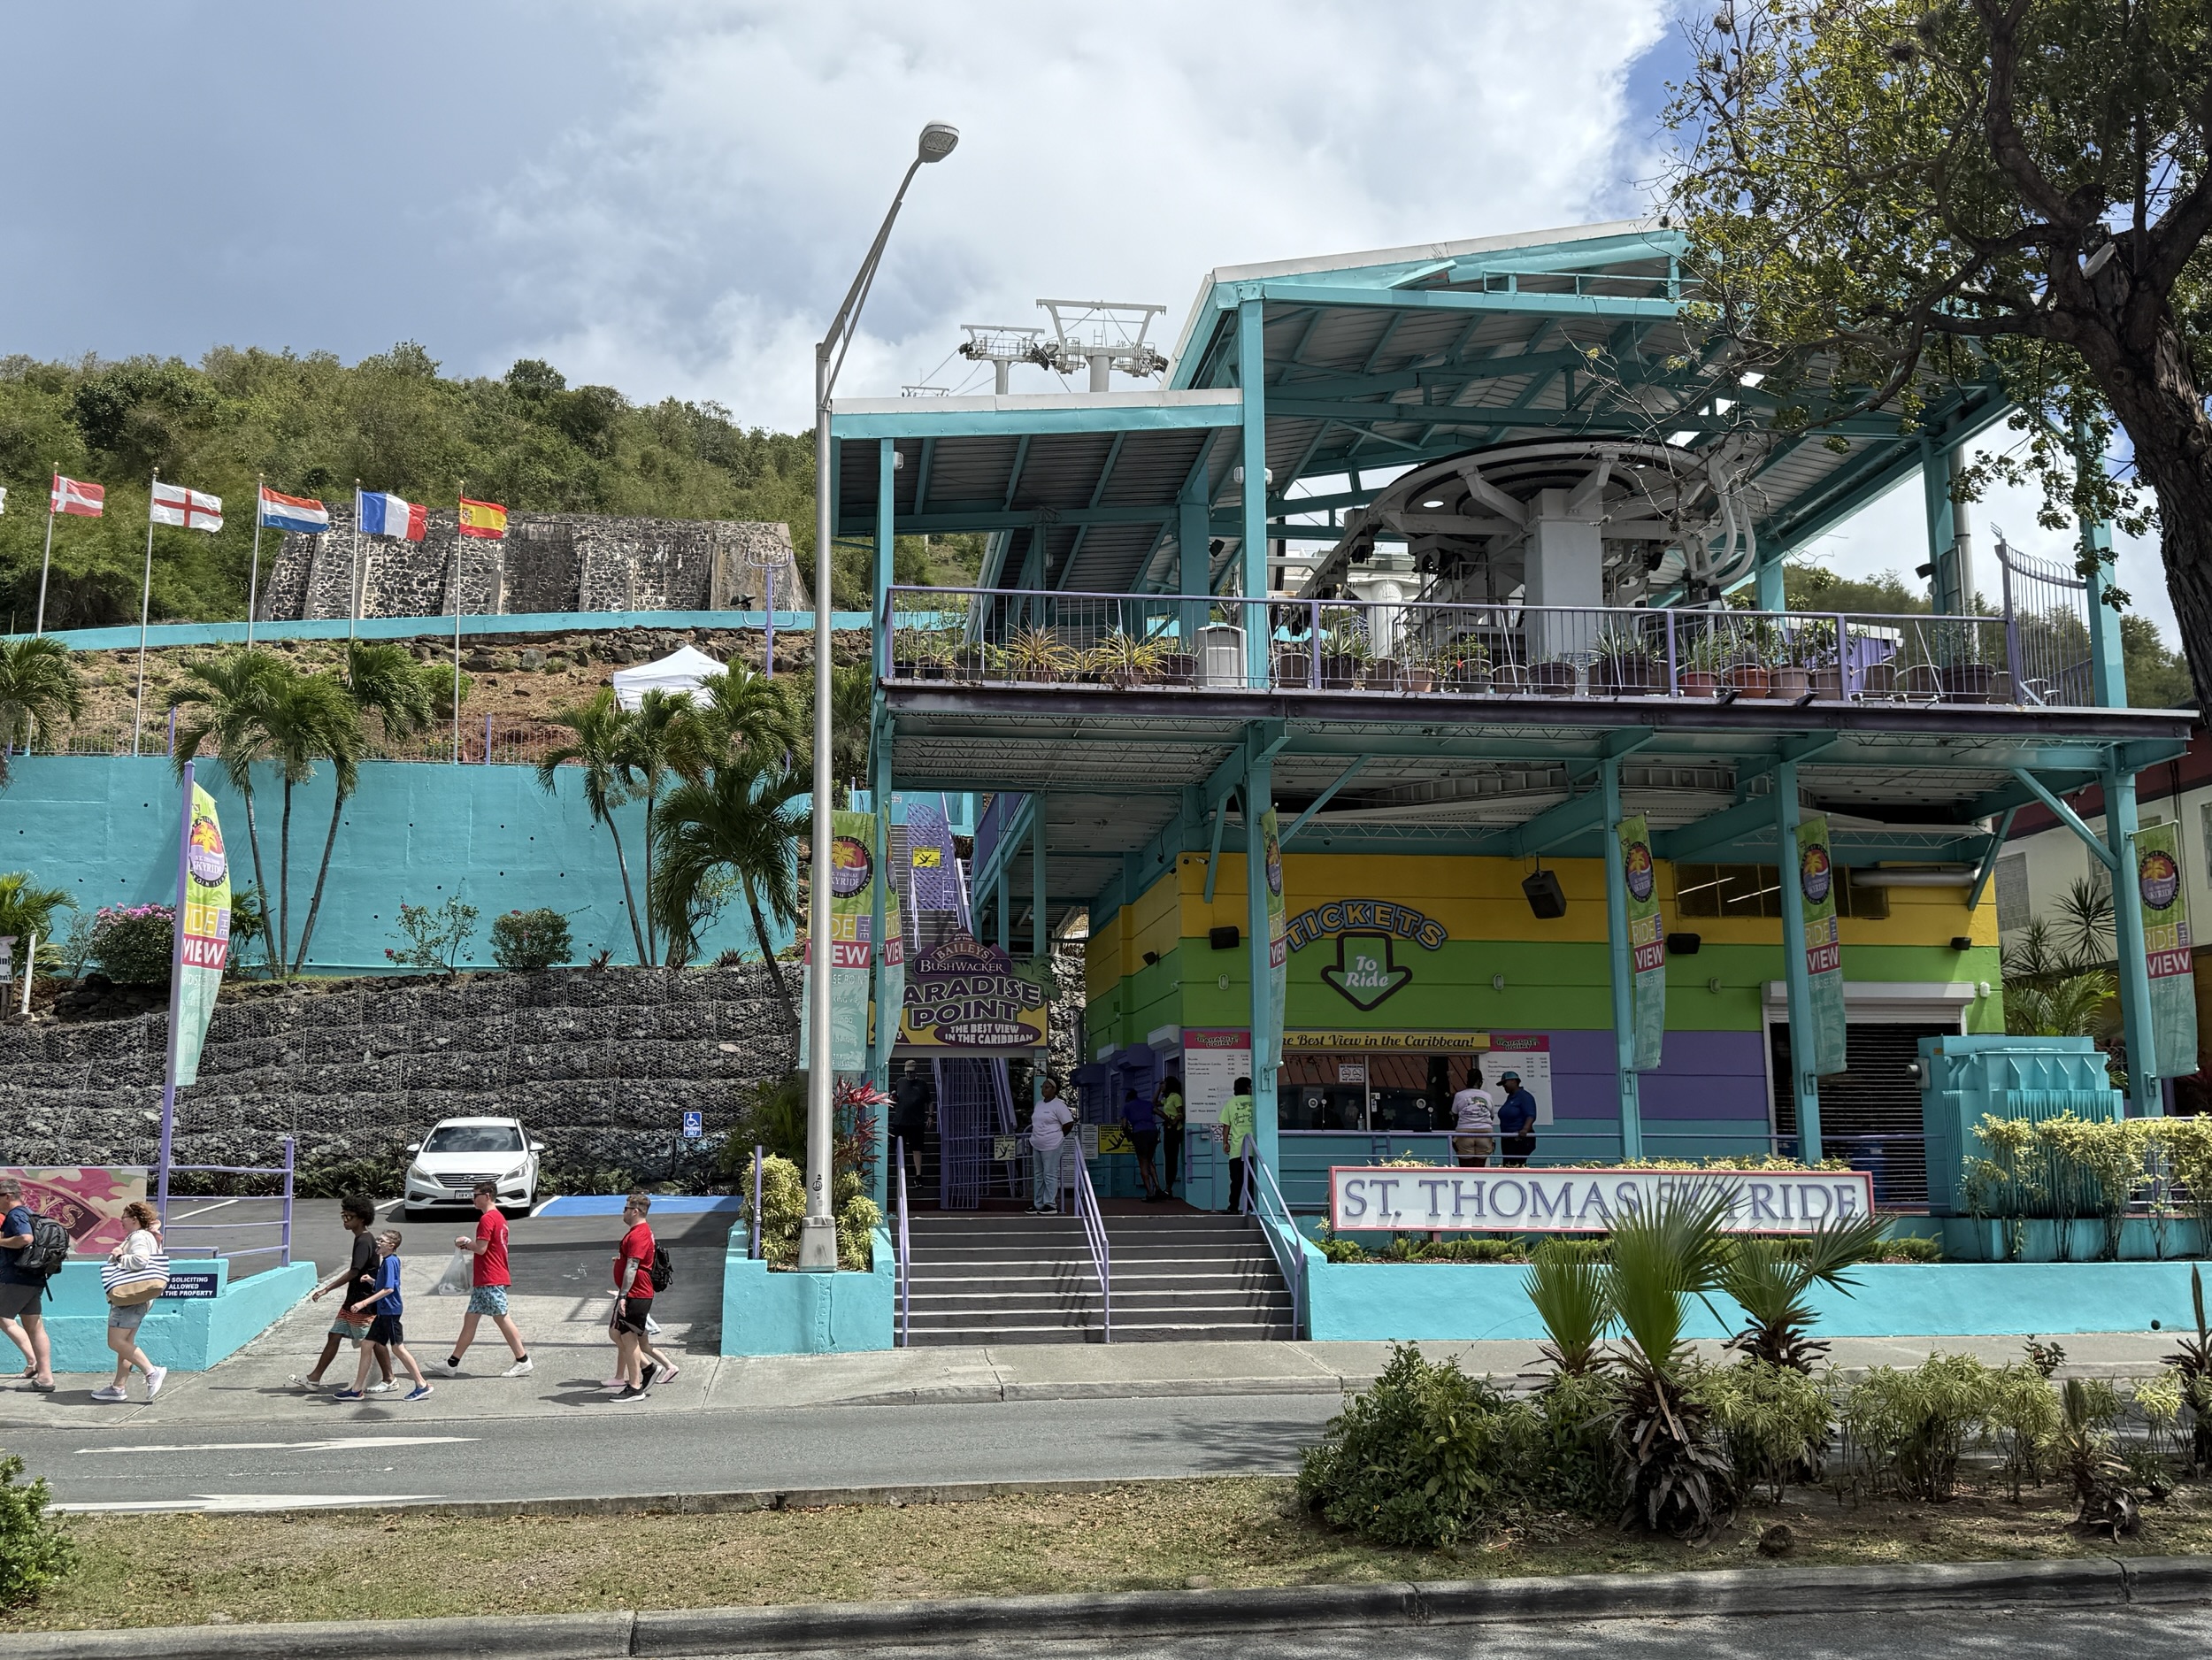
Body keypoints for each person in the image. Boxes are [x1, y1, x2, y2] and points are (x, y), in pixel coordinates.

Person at [293, 1195, 392, 1391]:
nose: (345, 1220)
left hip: (363, 1300)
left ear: (361, 1218)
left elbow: (355, 1271)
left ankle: (390, 1379)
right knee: (335, 1335)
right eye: (343, 1216)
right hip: (353, 1299)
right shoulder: (361, 1238)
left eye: (349, 1217)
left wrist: (326, 1289)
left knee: (373, 1340)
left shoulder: (364, 1240)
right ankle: (314, 1378)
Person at [446, 1181, 531, 1377]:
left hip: (490, 1276)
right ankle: (451, 1363)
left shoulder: (487, 1219)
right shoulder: (499, 1217)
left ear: (487, 1195)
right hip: (488, 1276)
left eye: (475, 1195)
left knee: (501, 1317)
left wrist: (466, 1242)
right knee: (471, 1318)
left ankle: (523, 1359)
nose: (473, 1199)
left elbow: (481, 1249)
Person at [336, 1230, 432, 1403]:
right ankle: (356, 1390)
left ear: (391, 1245)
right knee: (367, 1345)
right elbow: (386, 1284)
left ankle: (422, 1384)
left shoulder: (390, 1261)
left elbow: (389, 1289)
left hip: (390, 1312)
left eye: (382, 1241)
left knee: (398, 1348)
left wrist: (363, 1303)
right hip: (383, 1312)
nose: (378, 1243)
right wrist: (372, 1281)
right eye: (378, 1240)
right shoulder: (387, 1261)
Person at [90, 1200, 166, 1403]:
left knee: (115, 1342)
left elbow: (140, 1260)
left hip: (129, 1298)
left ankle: (151, 1372)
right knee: (126, 1344)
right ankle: (118, 1387)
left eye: (124, 1217)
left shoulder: (139, 1237)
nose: (121, 1221)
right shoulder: (147, 1235)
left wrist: (120, 1257)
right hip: (140, 1298)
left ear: (134, 1219)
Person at [0, 1178, 55, 1391]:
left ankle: (37, 1366)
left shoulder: (16, 1215)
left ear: (7, 1196)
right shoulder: (29, 1213)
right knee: (35, 1328)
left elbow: (25, 1238)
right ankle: (45, 1378)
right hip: (33, 1278)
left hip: (17, 1278)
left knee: (7, 1319)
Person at [607, 1191, 659, 1400]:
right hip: (634, 1291)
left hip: (636, 1293)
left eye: (626, 1209)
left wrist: (623, 1296)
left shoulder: (639, 1234)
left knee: (629, 1339)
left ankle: (635, 1386)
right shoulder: (637, 1232)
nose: (623, 1212)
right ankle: (647, 1368)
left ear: (635, 1211)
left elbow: (633, 1266)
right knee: (616, 1333)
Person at [1028, 1079, 1076, 1214]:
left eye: (1047, 1087)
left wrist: (1059, 1136)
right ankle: (1038, 1204)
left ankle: (1050, 1204)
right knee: (1038, 1175)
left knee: (1049, 1174)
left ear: (1054, 1089)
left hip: (1052, 1144)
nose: (1044, 1089)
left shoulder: (1059, 1105)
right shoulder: (1039, 1104)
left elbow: (1068, 1123)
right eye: (1043, 1087)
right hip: (1037, 1143)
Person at [1121, 1086, 1165, 1203]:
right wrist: (1170, 1121)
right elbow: (1160, 1113)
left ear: (1128, 1098)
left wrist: (1128, 1135)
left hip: (1139, 1133)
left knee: (1143, 1162)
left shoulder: (1127, 1107)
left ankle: (1150, 1193)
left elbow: (1124, 1124)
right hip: (1152, 1132)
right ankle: (1158, 1188)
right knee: (1150, 1160)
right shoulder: (1147, 1103)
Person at [891, 1061, 932, 1185]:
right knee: (899, 1146)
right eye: (907, 1072)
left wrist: (930, 1116)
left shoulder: (921, 1084)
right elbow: (895, 1097)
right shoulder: (900, 1082)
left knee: (917, 1148)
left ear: (915, 1072)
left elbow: (929, 1101)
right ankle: (901, 1170)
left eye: (911, 1072)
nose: (909, 1075)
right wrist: (893, 1097)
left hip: (916, 1122)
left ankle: (918, 1175)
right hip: (900, 1121)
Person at [1218, 1076, 1256, 1214]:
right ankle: (1252, 1207)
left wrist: (1225, 1142)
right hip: (1254, 1148)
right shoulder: (1256, 1101)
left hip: (1236, 1148)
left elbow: (1226, 1125)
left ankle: (1233, 1207)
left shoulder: (1231, 1103)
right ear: (1248, 1088)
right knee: (1252, 1180)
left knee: (1236, 1180)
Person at [1449, 1074, 1497, 1168]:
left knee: (1465, 1166)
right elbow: (1491, 1115)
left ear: (1467, 1081)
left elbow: (1454, 1113)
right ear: (1481, 1082)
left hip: (1464, 1133)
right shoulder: (1487, 1096)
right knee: (1480, 1165)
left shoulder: (1459, 1095)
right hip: (1484, 1133)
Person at [1497, 1071, 1540, 1167]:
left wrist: (1525, 1129)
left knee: (1516, 1165)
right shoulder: (1511, 1097)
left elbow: (1531, 1115)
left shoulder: (1524, 1096)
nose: (1504, 1086)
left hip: (1518, 1138)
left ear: (1514, 1081)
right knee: (1508, 1165)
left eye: (1505, 1083)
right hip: (1508, 1139)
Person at [1156, 1071, 1185, 1195]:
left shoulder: (1175, 1097)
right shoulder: (1167, 1098)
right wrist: (1159, 1090)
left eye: (1164, 1084)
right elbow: (1154, 1103)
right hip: (1167, 1129)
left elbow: (1180, 1113)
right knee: (1168, 1157)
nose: (1162, 1085)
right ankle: (1168, 1187)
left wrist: (1174, 1121)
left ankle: (1169, 1187)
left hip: (1174, 1129)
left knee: (1172, 1157)